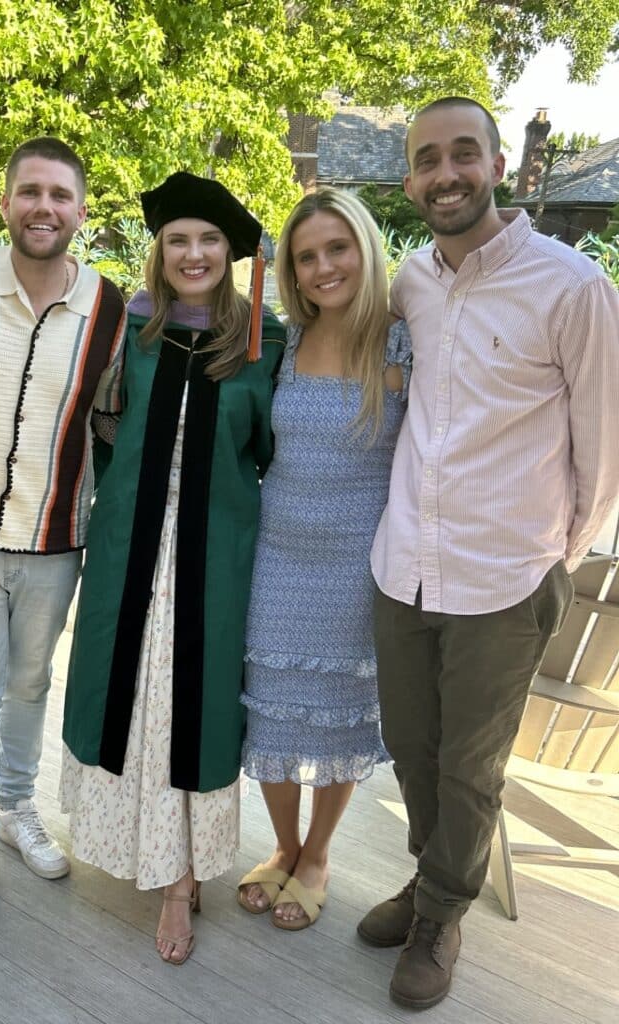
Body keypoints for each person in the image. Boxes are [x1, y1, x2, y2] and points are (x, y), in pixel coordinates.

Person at [362, 97, 619, 1009]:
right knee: (411, 746)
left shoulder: (573, 288)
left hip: (506, 582)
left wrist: (556, 558)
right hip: (405, 568)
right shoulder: (411, 284)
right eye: (427, 160)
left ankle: (441, 916)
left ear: (499, 162)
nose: (446, 175)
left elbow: (604, 451)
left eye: (463, 154)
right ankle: (427, 880)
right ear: (409, 180)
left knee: (472, 770)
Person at [61, 171, 286, 966]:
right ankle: (143, 855)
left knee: (195, 706)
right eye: (179, 239)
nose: (194, 252)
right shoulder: (132, 329)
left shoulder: (264, 342)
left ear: (231, 253)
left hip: (214, 556)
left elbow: (265, 451)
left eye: (210, 240)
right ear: (161, 249)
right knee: (132, 698)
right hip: (130, 551)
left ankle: (180, 879)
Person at [0, 137, 126, 943]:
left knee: (30, 685)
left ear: (82, 210)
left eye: (61, 195)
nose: (44, 207)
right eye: (29, 192)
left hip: (54, 537)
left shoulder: (110, 309)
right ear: (6, 202)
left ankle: (15, 809)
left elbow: (111, 414)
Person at [236, 189, 410, 929]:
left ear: (365, 249)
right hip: (277, 556)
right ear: (294, 273)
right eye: (307, 256)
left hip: (355, 565)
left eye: (337, 248)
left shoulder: (404, 340)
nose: (323, 266)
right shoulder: (280, 340)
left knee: (340, 719)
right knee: (271, 716)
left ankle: (318, 853)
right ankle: (281, 846)